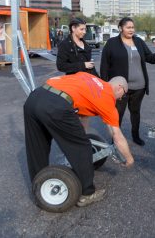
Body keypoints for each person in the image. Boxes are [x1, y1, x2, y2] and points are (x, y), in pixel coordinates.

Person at [24, 72, 134, 207]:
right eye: (122, 95)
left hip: (36, 97)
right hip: (56, 105)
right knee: (83, 148)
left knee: (37, 146)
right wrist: (129, 158)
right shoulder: (107, 98)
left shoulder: (91, 79)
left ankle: (39, 185)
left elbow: (82, 112)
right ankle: (88, 194)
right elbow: (117, 136)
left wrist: (80, 135)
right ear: (119, 87)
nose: (120, 99)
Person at [100, 17, 155, 146]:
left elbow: (149, 58)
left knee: (135, 112)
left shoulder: (138, 41)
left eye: (132, 27)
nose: (131, 30)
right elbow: (104, 65)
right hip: (120, 88)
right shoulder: (111, 43)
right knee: (117, 114)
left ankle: (135, 135)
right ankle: (115, 139)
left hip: (139, 86)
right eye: (128, 27)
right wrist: (105, 86)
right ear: (121, 28)